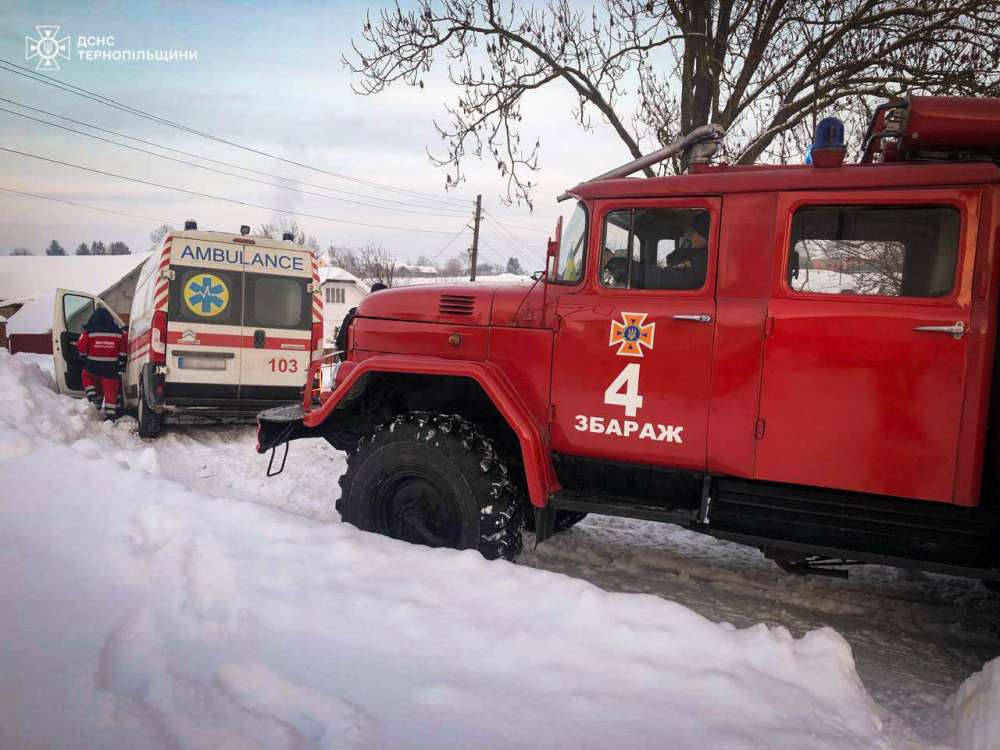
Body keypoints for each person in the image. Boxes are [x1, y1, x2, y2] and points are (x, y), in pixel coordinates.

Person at [76, 306, 127, 421]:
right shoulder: (119, 333)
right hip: (110, 369)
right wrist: (121, 364)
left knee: (86, 376)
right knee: (110, 391)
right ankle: (111, 415)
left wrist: (84, 357)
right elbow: (123, 352)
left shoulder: (88, 331)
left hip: (92, 366)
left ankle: (92, 395)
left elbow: (81, 347)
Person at [334, 282, 386, 361]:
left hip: (355, 363)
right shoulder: (385, 318)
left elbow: (339, 342)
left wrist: (346, 361)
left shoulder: (353, 315)